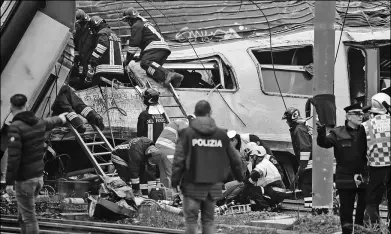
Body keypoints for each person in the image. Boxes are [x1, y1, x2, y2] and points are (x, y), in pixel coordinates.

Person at [171, 100, 244, 234]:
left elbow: (178, 160)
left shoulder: (186, 134)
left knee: (191, 219)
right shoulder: (221, 135)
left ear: (196, 114)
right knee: (208, 220)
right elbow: (235, 159)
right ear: (210, 113)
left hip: (191, 184)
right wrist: (240, 177)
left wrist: (175, 180)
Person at [6, 94, 67, 234]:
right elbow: (55, 120)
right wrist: (63, 117)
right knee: (23, 216)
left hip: (25, 180)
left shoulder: (16, 127)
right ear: (26, 105)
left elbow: (13, 158)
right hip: (38, 179)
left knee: (29, 218)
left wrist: (9, 183)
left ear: (11, 107)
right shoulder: (39, 122)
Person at [317, 103, 368, 234]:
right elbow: (324, 143)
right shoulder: (338, 132)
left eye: (362, 114)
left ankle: (359, 231)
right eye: (357, 114)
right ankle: (346, 232)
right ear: (349, 116)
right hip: (345, 176)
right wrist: (321, 132)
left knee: (363, 207)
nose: (361, 116)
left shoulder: (366, 130)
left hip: (364, 175)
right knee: (346, 209)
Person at [122, 7, 183, 88]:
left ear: (130, 19)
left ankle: (169, 74)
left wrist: (127, 61)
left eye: (127, 21)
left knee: (145, 62)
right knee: (151, 71)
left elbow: (134, 44)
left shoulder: (136, 25)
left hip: (156, 48)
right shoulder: (145, 23)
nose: (128, 23)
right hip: (163, 49)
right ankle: (172, 79)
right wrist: (140, 56)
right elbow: (146, 41)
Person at [361, 93, 390, 229]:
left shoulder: (366, 125)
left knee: (372, 200)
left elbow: (360, 150)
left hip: (375, 167)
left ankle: (374, 227)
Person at [282, 107, 313, 208]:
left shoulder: (298, 129)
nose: (287, 122)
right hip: (312, 161)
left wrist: (302, 166)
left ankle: (311, 210)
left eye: (287, 120)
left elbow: (304, 148)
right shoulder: (303, 127)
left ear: (291, 119)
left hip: (309, 163)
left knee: (307, 186)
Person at [154, 115, 195, 187]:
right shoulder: (184, 123)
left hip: (159, 148)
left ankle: (165, 192)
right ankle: (172, 193)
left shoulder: (177, 122)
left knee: (164, 172)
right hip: (167, 148)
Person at [244, 146, 286, 211]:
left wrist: (247, 184)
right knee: (258, 191)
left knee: (253, 190)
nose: (252, 159)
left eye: (253, 157)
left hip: (275, 191)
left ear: (256, 157)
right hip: (278, 191)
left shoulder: (262, 164)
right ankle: (273, 205)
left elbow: (255, 174)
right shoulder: (266, 162)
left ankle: (266, 207)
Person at [88, 16, 125, 86]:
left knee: (97, 88)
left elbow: (102, 46)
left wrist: (92, 61)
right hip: (119, 70)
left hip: (105, 70)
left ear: (95, 26)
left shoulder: (102, 33)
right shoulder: (113, 34)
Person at [71, 9, 96, 90]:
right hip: (81, 53)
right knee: (81, 72)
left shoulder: (91, 26)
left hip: (89, 54)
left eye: (82, 23)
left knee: (88, 72)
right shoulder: (78, 27)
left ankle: (88, 85)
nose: (80, 24)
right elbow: (77, 40)